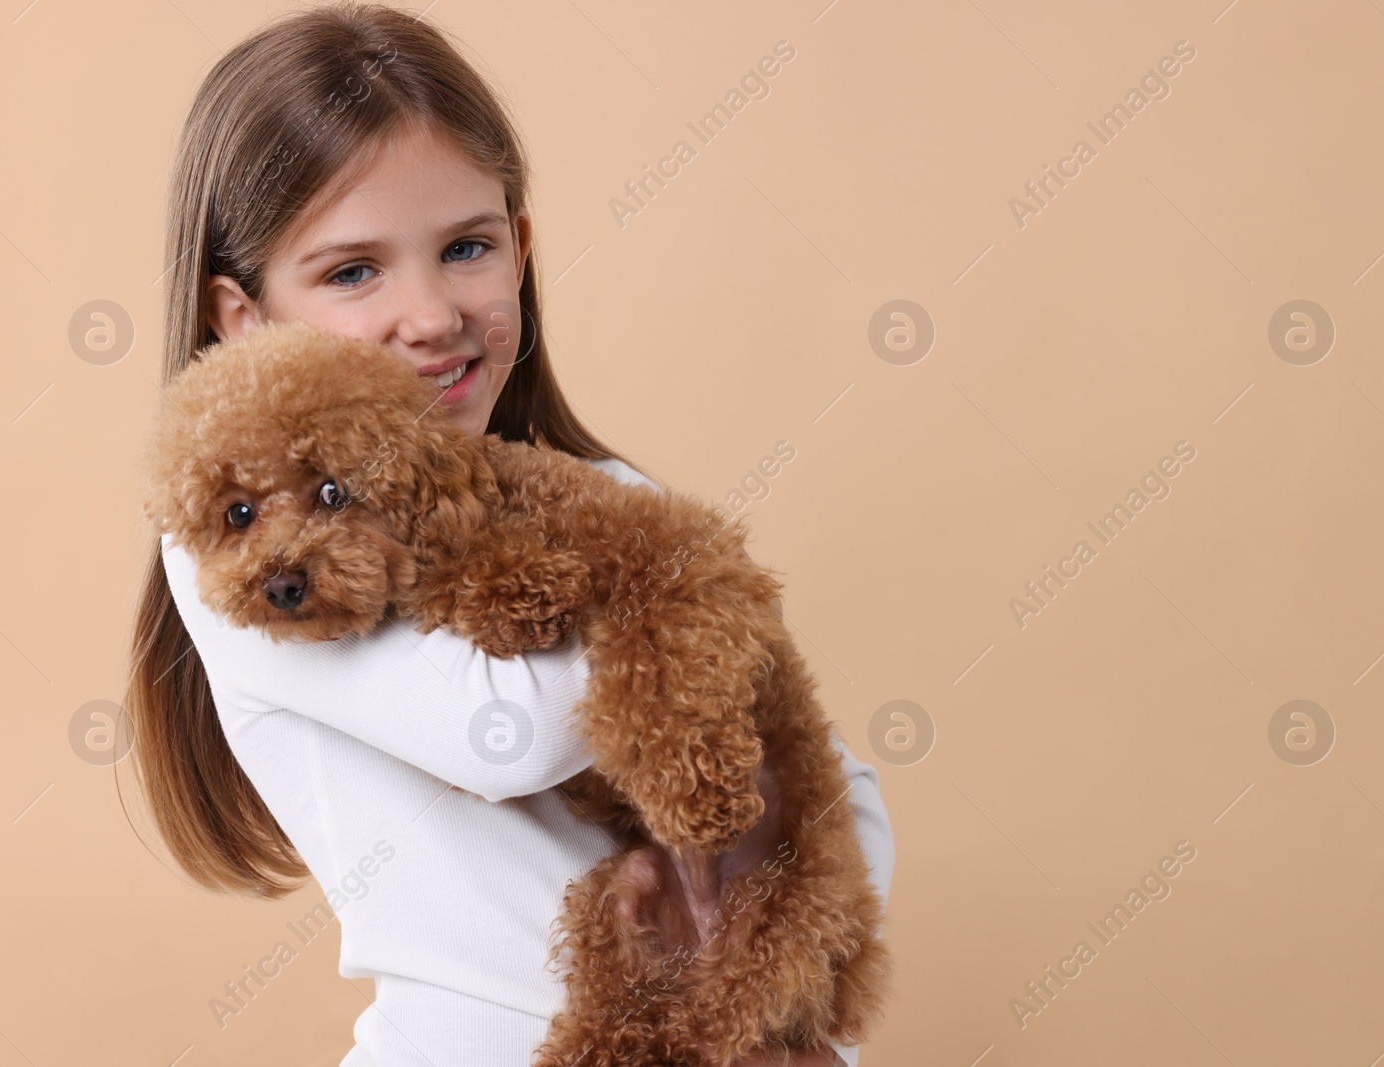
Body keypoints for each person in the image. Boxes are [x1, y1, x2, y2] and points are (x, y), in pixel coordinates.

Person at [123, 4, 894, 1065]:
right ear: (243, 317)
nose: (432, 312)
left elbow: (836, 787)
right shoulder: (237, 544)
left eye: (467, 248)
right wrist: (664, 587)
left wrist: (770, 989)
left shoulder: (595, 488)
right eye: (355, 271)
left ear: (520, 252)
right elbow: (513, 736)